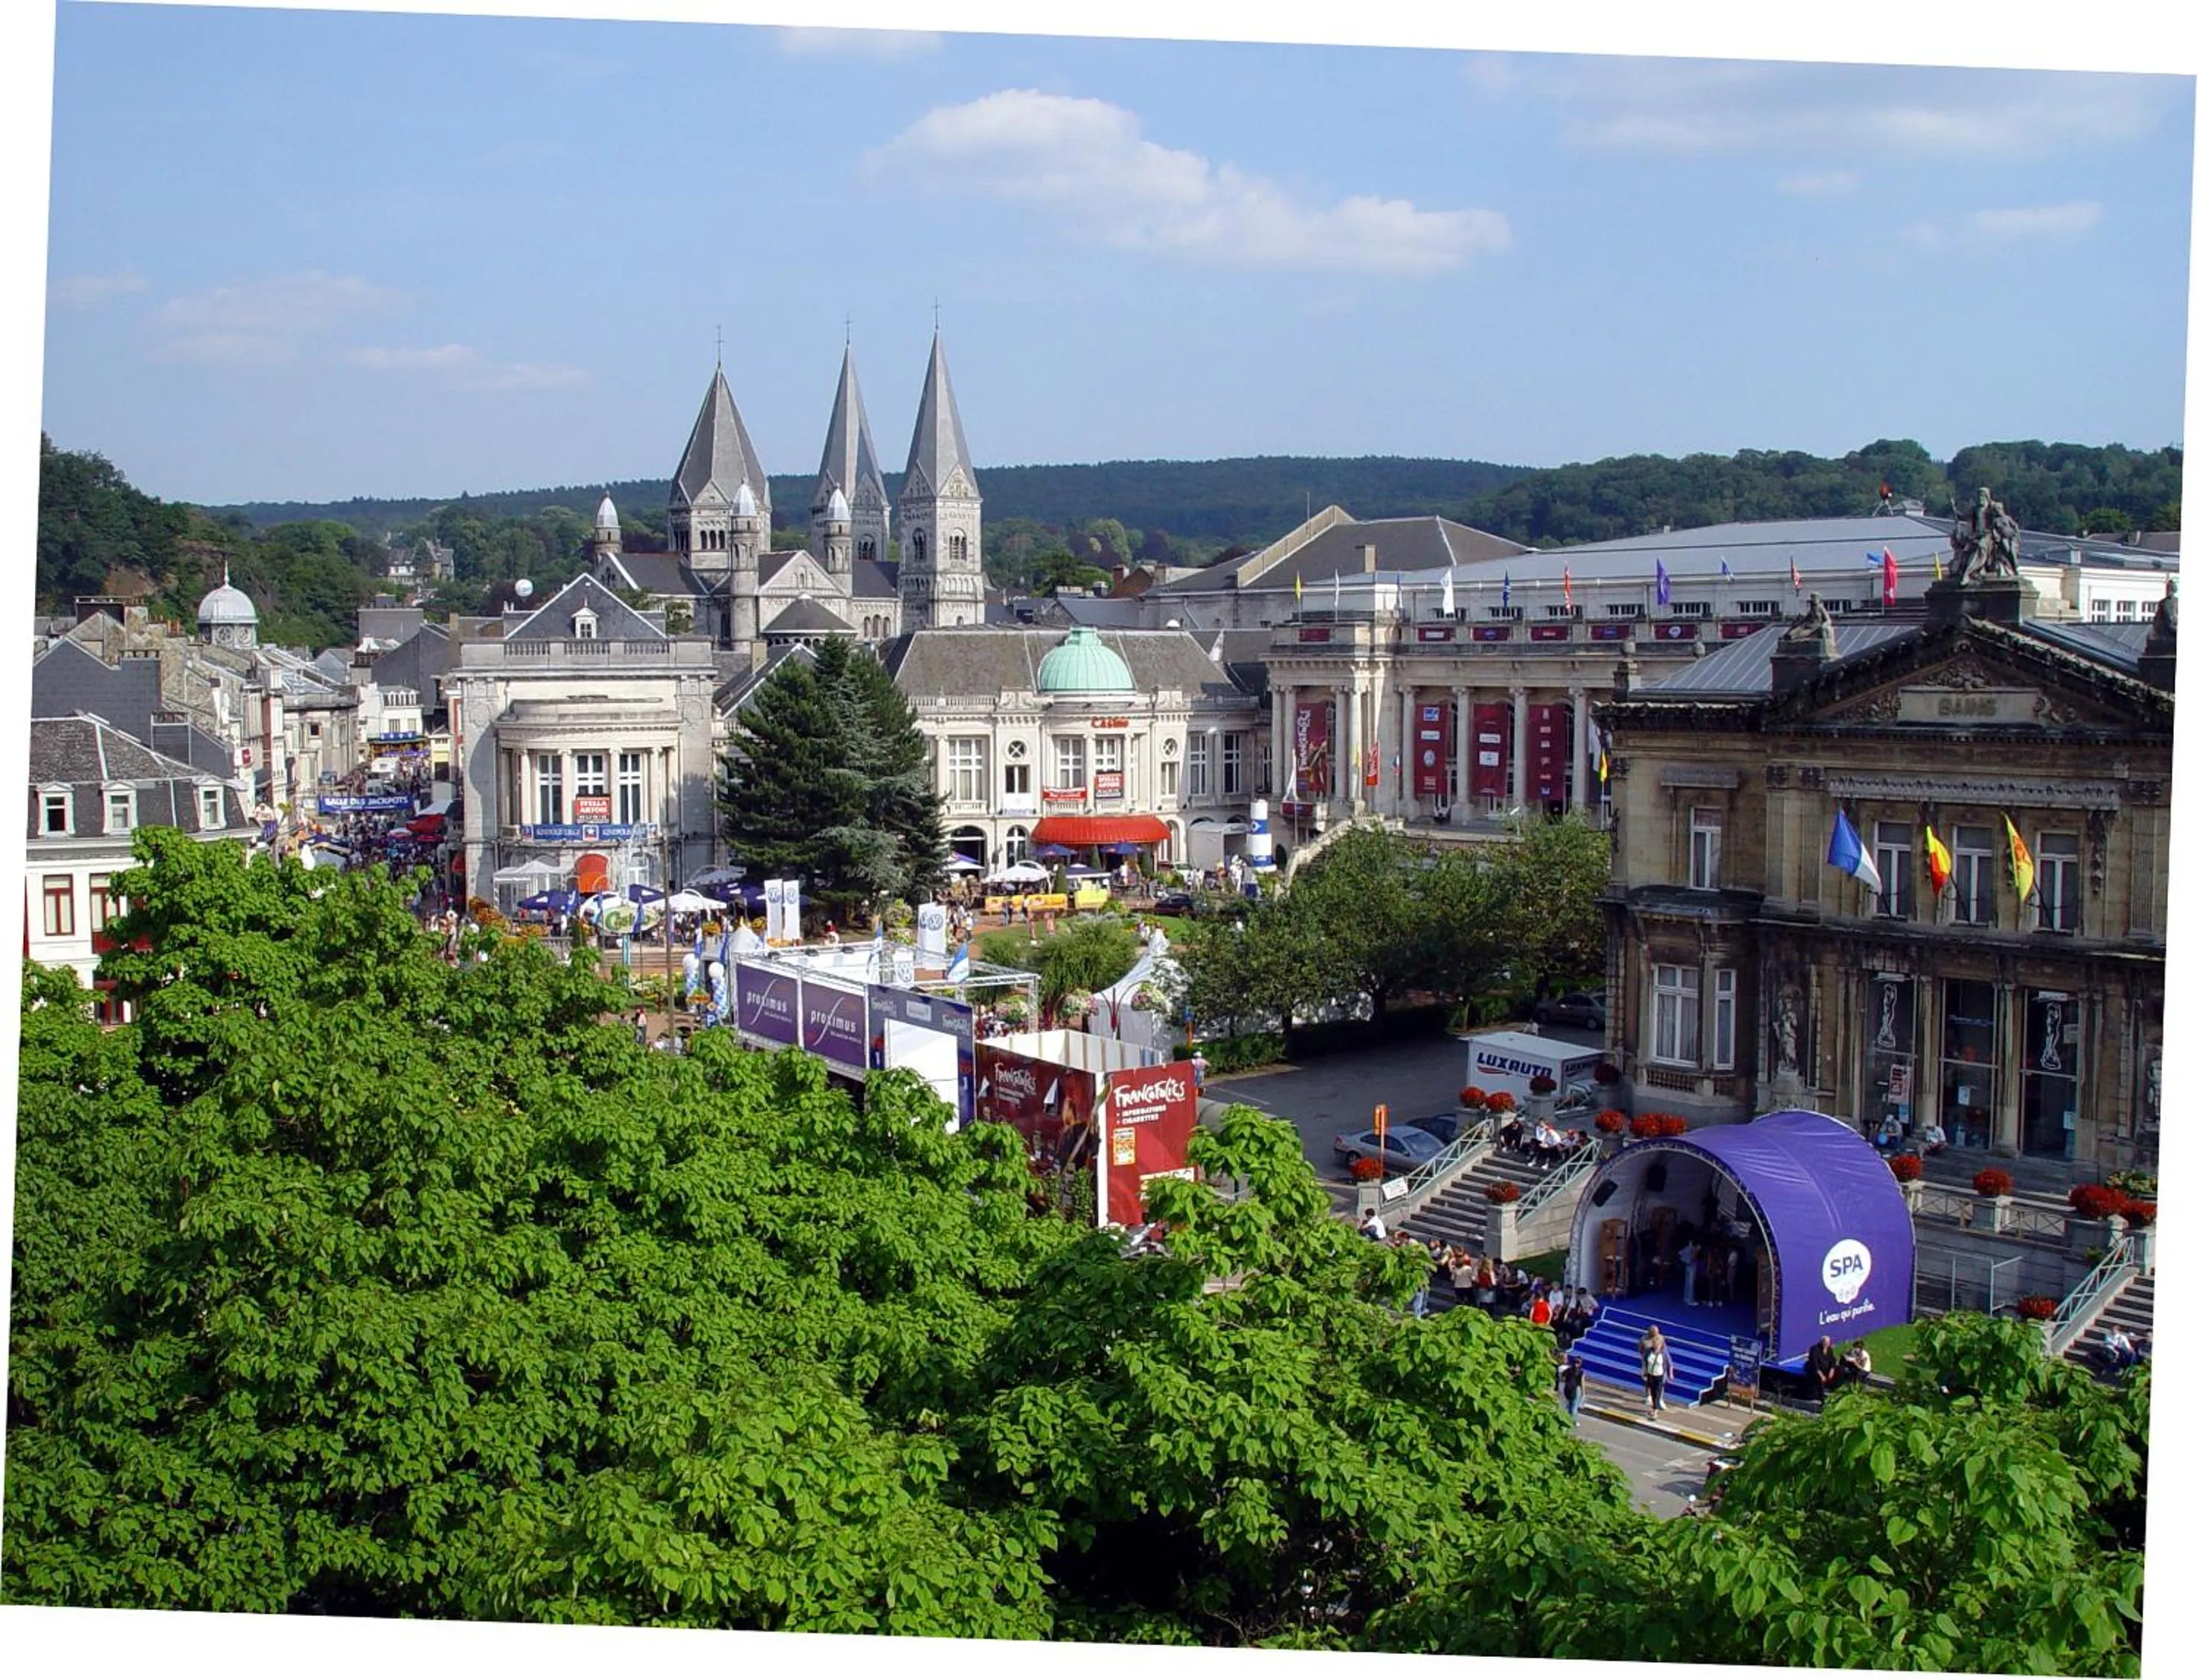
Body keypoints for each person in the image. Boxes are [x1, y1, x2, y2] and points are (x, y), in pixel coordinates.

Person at [1638, 1324, 1674, 1414]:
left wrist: (1670, 1371)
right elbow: (1641, 1351)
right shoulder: (1644, 1340)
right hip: (1650, 1363)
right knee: (1649, 1383)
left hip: (1659, 1366)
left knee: (1659, 1386)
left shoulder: (1661, 1339)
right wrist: (1644, 1363)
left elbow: (1666, 1355)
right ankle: (1649, 1396)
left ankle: (1658, 1402)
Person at [1805, 1334, 1839, 1402]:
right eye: (1826, 1343)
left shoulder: (1829, 1349)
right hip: (1816, 1370)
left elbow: (1832, 1360)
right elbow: (1815, 1364)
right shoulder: (1815, 1349)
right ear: (1822, 1342)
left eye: (1828, 1343)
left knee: (1839, 1371)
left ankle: (1834, 1389)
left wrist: (1832, 1370)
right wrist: (1821, 1375)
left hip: (1826, 1368)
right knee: (1820, 1378)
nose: (1827, 1344)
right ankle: (1821, 1397)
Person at [1558, 1352, 1587, 1426]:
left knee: (1570, 1405)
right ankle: (1571, 1421)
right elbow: (1582, 1383)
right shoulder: (1581, 1372)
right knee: (1574, 1406)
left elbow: (1562, 1378)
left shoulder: (1568, 1370)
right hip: (1576, 1390)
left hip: (1567, 1389)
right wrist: (1583, 1393)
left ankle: (1567, 1420)